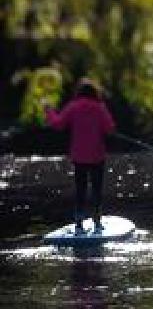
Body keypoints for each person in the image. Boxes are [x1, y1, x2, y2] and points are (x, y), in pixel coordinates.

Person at [44, 78, 115, 234]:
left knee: (80, 189)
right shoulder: (99, 107)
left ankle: (79, 222)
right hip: (97, 155)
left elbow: (57, 124)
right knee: (96, 189)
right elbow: (110, 128)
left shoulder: (73, 107)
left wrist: (49, 111)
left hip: (79, 156)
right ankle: (97, 220)